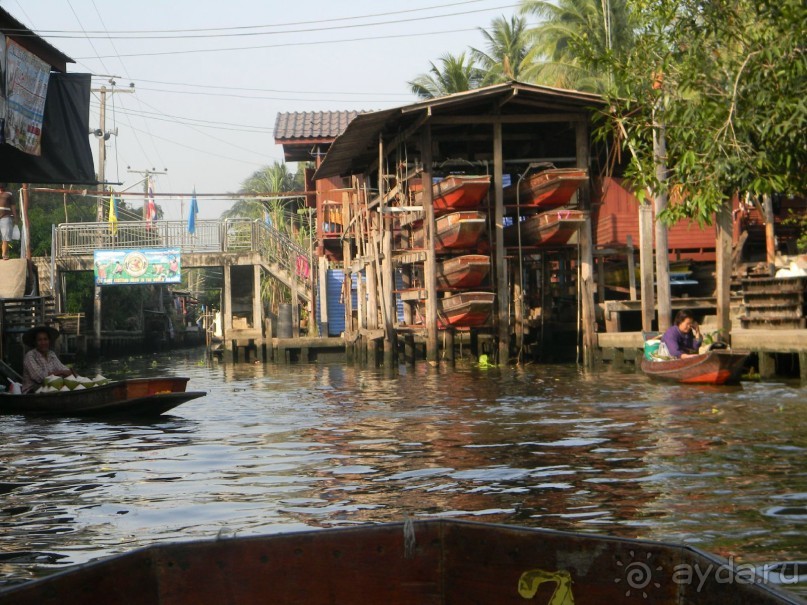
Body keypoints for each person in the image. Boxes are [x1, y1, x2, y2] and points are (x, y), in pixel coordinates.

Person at [21, 325, 74, 393]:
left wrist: (73, 373)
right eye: (39, 340)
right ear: (35, 342)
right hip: (32, 391)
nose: (43, 343)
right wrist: (61, 372)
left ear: (49, 341)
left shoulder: (51, 354)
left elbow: (62, 368)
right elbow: (39, 377)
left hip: (50, 388)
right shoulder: (30, 356)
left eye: (45, 339)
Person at [0, 183, 16, 260]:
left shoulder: (9, 195)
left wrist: (15, 217)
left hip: (5, 217)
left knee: (5, 236)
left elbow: (13, 207)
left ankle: (4, 254)